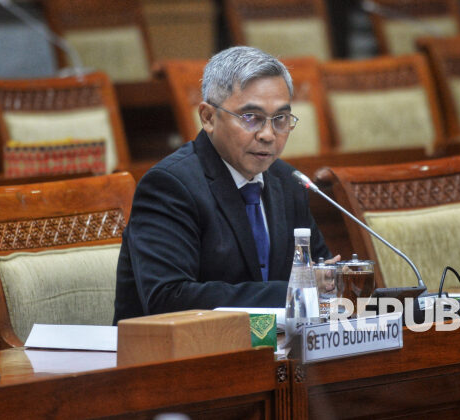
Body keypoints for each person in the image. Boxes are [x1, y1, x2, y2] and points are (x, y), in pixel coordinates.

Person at [114, 46, 336, 322]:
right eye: (250, 117)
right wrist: (293, 292)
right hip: (181, 358)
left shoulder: (287, 182)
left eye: (280, 119)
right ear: (208, 117)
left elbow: (322, 277)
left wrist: (333, 282)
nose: (268, 135)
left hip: (272, 351)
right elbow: (168, 298)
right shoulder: (169, 186)